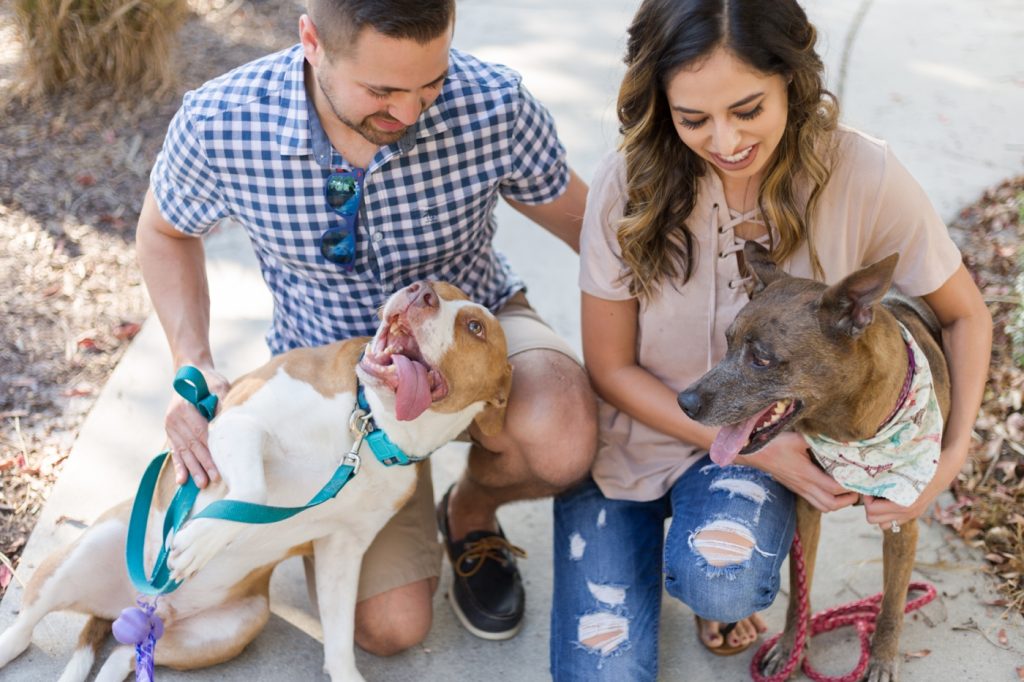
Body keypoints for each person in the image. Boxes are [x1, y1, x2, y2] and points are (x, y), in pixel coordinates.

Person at [135, 0, 597, 654]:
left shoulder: (494, 105)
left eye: (430, 85)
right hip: (330, 377)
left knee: (564, 435)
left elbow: (591, 230)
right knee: (388, 628)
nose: (409, 114)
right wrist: (195, 362)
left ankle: (469, 514)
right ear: (311, 42)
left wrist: (648, 367)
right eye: (381, 91)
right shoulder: (222, 123)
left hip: (472, 330)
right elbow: (164, 232)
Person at [550, 0, 992, 678]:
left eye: (747, 109)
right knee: (600, 669)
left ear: (792, 77)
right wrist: (767, 458)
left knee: (722, 581)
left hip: (758, 438)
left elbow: (965, 315)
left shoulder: (863, 172)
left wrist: (949, 459)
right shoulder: (625, 182)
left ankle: (703, 567)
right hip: (634, 444)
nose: (724, 141)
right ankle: (621, 531)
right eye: (693, 117)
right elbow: (609, 369)